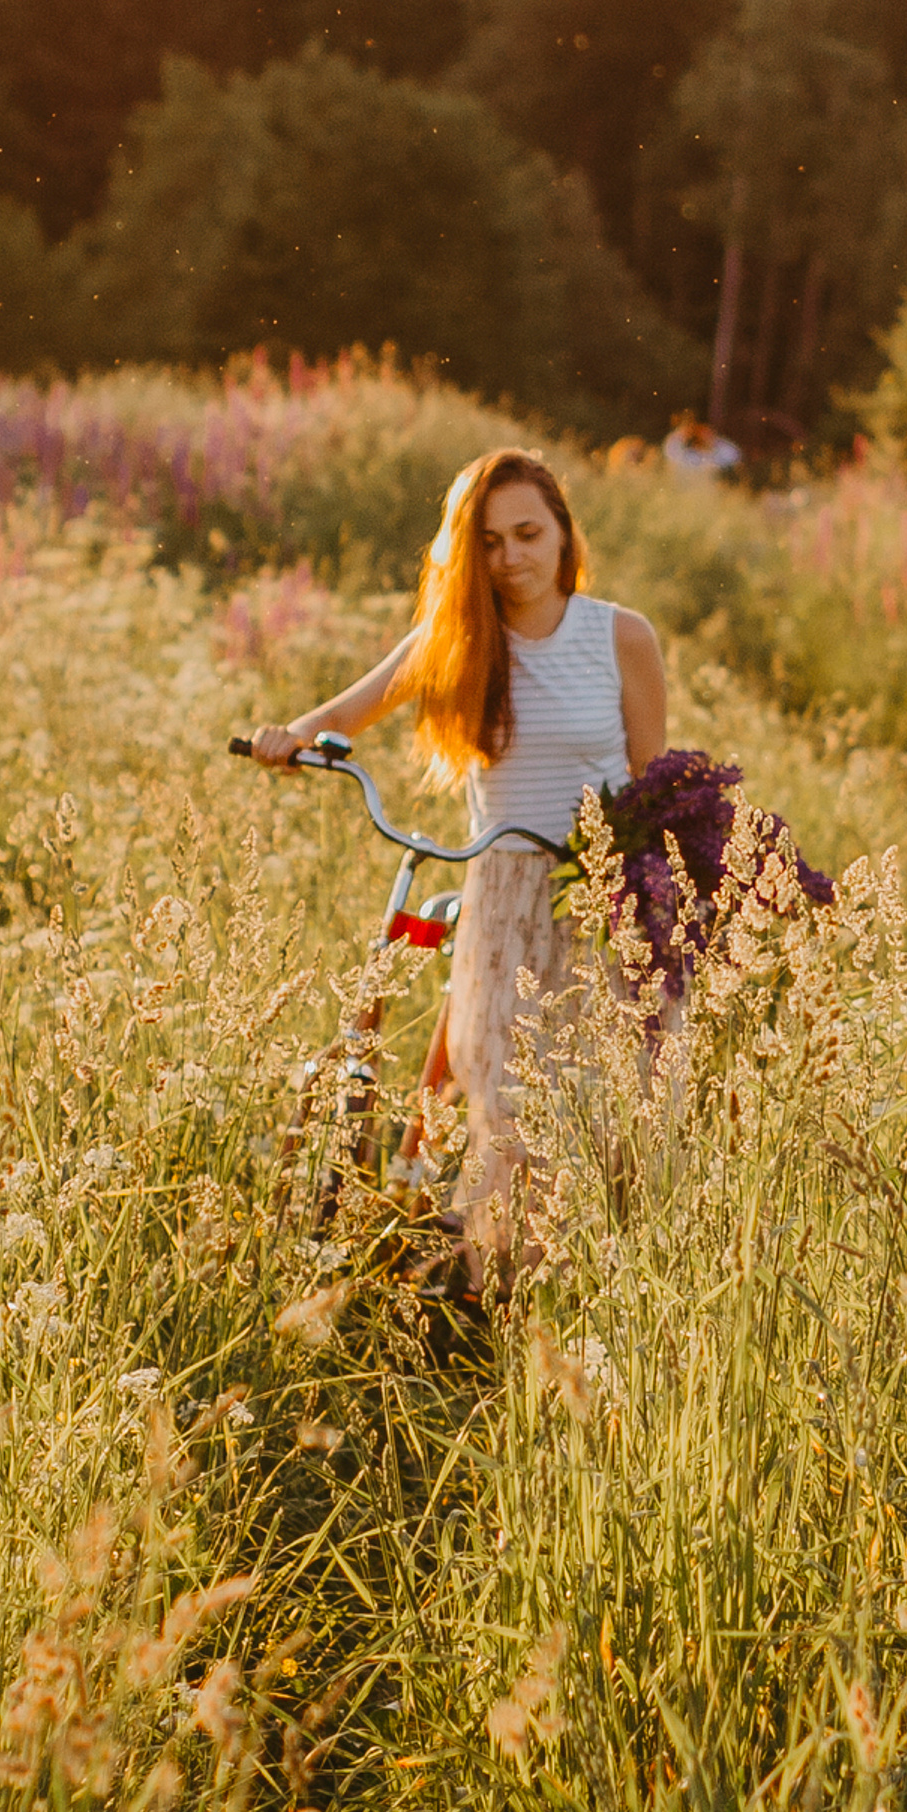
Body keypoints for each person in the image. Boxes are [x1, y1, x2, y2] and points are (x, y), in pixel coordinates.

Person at [248, 447, 666, 1273]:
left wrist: (653, 895)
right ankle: (495, 1290)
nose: (511, 557)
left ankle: (608, 1285)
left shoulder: (620, 636)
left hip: (599, 892)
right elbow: (356, 703)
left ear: (562, 534)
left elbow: (656, 783)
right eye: (488, 540)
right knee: (505, 1101)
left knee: (609, 1100)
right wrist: (292, 736)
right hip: (502, 896)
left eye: (527, 533)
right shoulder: (460, 638)